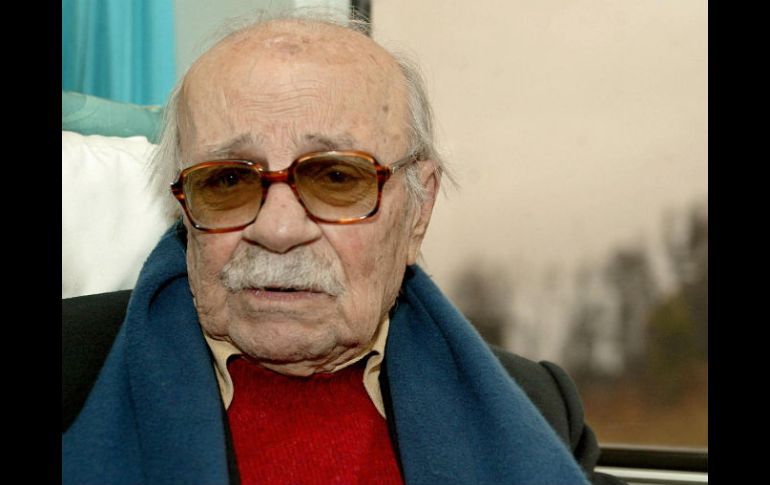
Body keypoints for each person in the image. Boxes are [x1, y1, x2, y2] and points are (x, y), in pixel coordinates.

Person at [62, 10, 627, 485]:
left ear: (418, 212)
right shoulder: (74, 376)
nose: (278, 230)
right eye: (228, 180)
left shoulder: (531, 409)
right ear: (185, 206)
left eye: (335, 177)